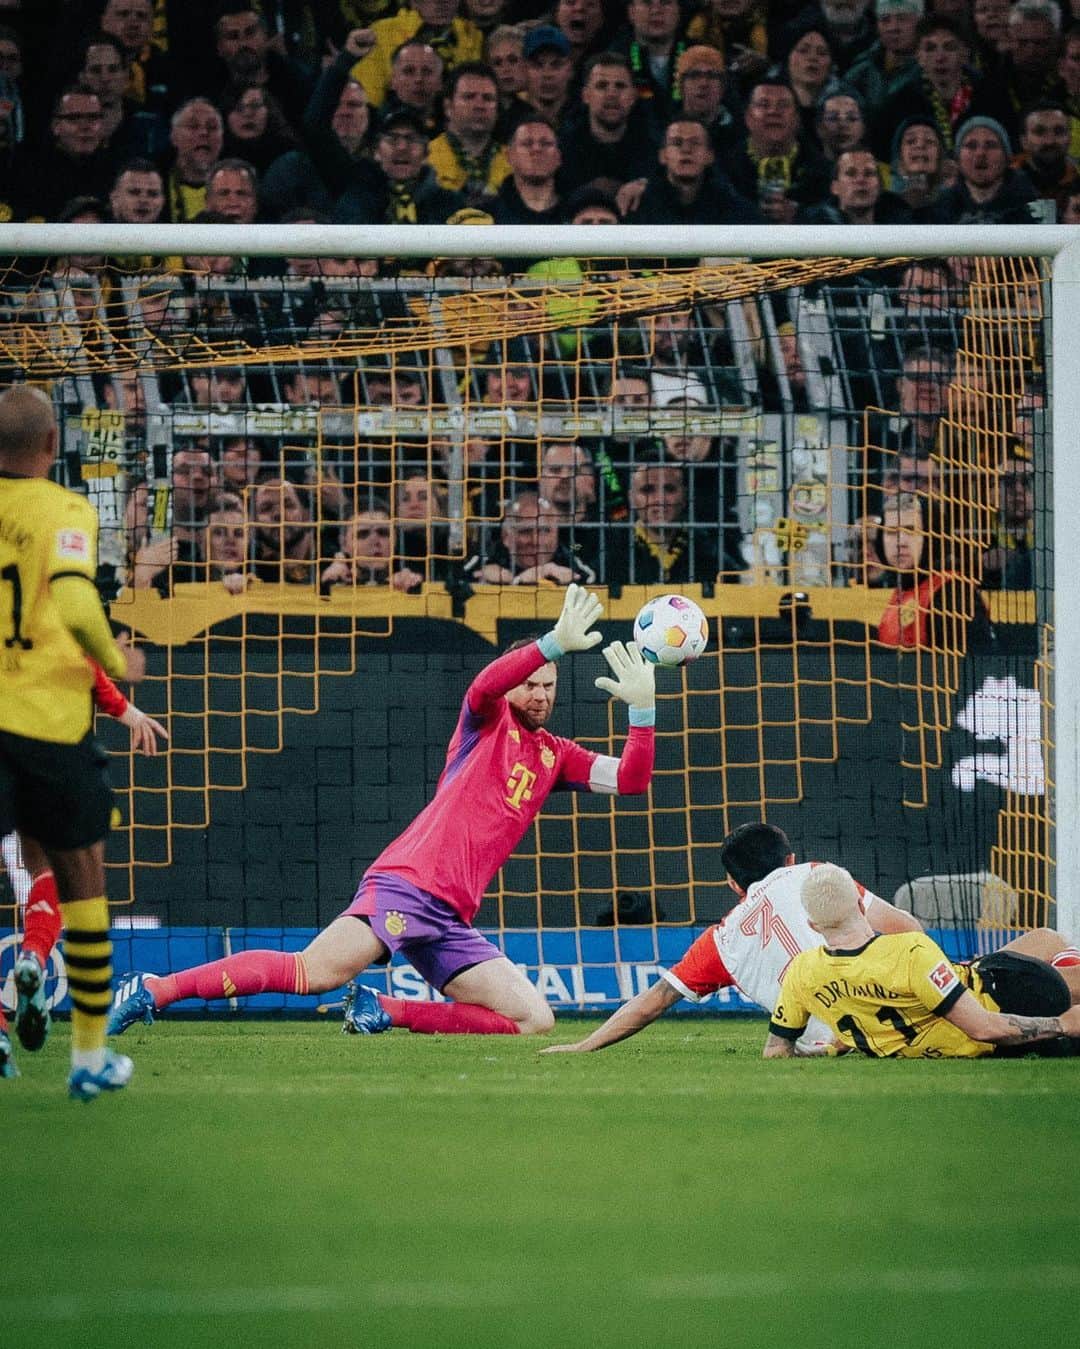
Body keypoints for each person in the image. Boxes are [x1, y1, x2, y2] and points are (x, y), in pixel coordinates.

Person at [109, 586, 656, 1038]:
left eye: (549, 686)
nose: (539, 694)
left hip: (449, 916)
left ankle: (383, 1010)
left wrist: (642, 710)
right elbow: (484, 684)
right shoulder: (486, 723)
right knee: (315, 972)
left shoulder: (556, 755)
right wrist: (551, 644)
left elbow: (632, 779)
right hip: (409, 886)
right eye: (531, 683)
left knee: (534, 1018)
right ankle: (155, 989)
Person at [0, 385, 145, 1098]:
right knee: (81, 877)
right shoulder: (64, 509)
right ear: (53, 446)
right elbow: (78, 601)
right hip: (47, 726)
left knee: (28, 877)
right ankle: (88, 1057)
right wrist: (117, 665)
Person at [541, 821, 922, 1055]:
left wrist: (583, 1046)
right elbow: (908, 930)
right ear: (789, 860)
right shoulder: (818, 874)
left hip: (839, 1044)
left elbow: (653, 1001)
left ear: (733, 884)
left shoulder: (723, 940)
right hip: (909, 1013)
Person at [5, 661, 167, 1067]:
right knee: (61, 874)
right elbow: (82, 657)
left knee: (41, 864)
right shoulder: (51, 604)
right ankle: (88, 1057)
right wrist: (127, 711)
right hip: (51, 745)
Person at [764, 864, 1080, 1059]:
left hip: (973, 979)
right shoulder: (910, 950)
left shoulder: (802, 972)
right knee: (1060, 965)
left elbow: (776, 1050)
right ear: (862, 905)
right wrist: (1062, 1025)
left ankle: (1067, 958)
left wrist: (849, 1040)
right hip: (1009, 997)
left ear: (814, 926)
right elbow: (984, 1028)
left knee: (1048, 938)